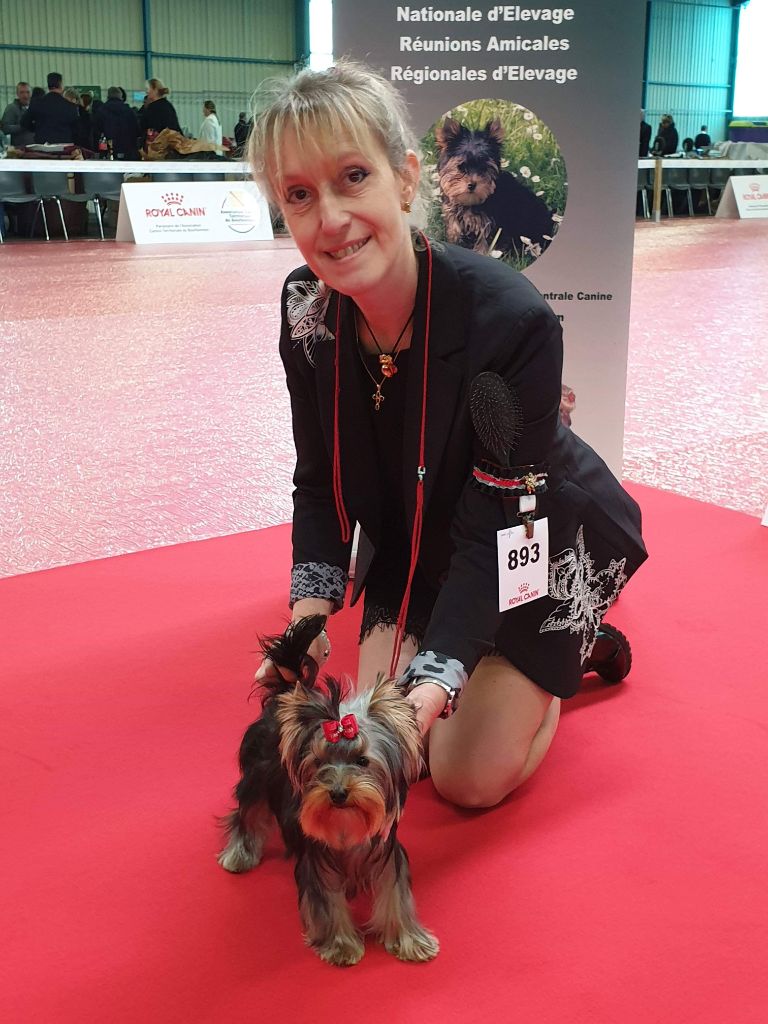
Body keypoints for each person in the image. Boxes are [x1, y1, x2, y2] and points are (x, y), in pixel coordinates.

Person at [250, 61, 647, 809]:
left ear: (404, 179)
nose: (329, 219)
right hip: (416, 544)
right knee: (397, 754)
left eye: (352, 177)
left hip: (527, 540)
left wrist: (437, 681)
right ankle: (493, 668)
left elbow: (504, 517)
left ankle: (573, 651)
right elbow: (318, 477)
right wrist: (305, 621)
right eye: (299, 195)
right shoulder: (307, 308)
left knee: (463, 777)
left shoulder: (511, 318)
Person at [21, 71, 78, 144]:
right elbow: (76, 129)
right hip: (64, 146)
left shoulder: (37, 103)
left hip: (42, 145)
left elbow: (24, 122)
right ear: (61, 84)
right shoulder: (70, 106)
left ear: (48, 85)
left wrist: (37, 128)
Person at [93, 86, 141, 160]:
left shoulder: (101, 111)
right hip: (128, 151)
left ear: (108, 96)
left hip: (107, 151)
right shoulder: (129, 111)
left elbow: (96, 132)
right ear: (121, 97)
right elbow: (137, 131)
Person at [139, 77, 181, 146]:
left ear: (155, 90)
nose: (146, 92)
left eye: (148, 89)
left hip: (159, 146)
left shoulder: (153, 108)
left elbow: (150, 128)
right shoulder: (167, 105)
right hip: (173, 144)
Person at [1, 81, 34, 149]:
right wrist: (23, 126)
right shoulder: (11, 108)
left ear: (31, 93)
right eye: (22, 92)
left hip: (36, 149)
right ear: (17, 94)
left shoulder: (34, 108)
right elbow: (5, 128)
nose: (25, 95)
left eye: (28, 92)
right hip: (20, 151)